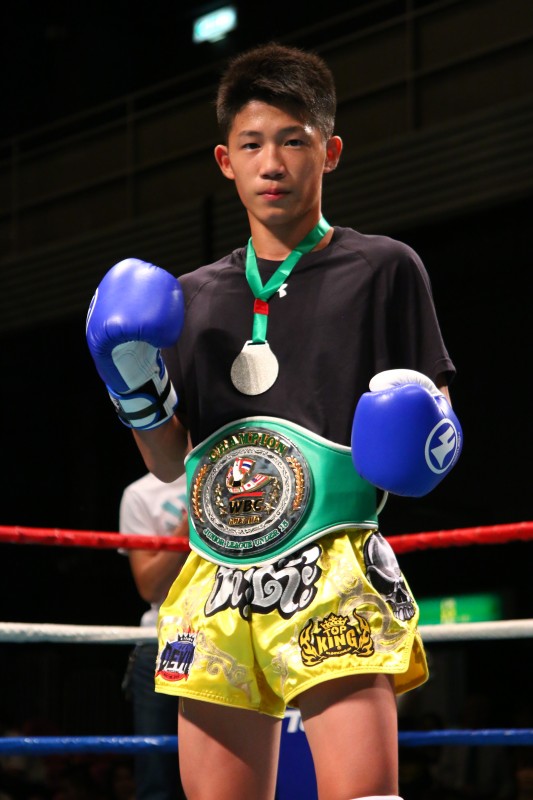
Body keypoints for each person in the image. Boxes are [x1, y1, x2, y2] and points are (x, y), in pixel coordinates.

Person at [87, 42, 463, 800]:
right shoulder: (192, 296)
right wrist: (132, 384)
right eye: (253, 144)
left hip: (332, 565)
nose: (273, 164)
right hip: (216, 576)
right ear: (225, 161)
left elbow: (438, 421)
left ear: (330, 151)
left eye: (293, 141)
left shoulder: (383, 268)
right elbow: (168, 463)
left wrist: (422, 439)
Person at [119, 471, 188, 800]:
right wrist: (188, 526)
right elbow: (149, 586)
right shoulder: (140, 493)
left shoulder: (244, 475)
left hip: (232, 633)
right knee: (157, 778)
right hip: (168, 639)